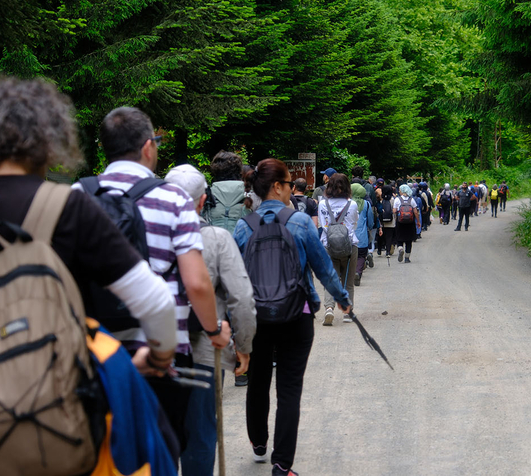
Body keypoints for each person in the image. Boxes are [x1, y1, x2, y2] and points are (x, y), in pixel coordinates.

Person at [0, 77, 180, 475]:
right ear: (46, 136)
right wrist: (158, 356)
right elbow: (155, 301)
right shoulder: (66, 206)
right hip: (58, 418)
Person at [76, 106, 231, 456]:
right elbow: (197, 283)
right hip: (164, 353)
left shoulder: (78, 195)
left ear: (104, 148)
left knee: (105, 453)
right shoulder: (173, 199)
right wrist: (212, 330)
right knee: (162, 450)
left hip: (95, 353)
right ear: (148, 147)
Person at [232, 159, 351, 476]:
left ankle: (258, 443)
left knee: (257, 382)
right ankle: (282, 463)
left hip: (256, 318)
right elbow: (324, 267)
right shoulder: (299, 223)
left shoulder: (244, 227)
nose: (290, 188)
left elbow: (234, 279)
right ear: (277, 187)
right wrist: (342, 300)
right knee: (289, 390)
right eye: (288, 183)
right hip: (295, 316)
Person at [164, 164, 256, 475]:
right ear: (203, 201)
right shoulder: (216, 239)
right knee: (200, 435)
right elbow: (241, 299)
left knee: (158, 436)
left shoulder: (142, 232)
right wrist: (243, 346)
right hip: (203, 352)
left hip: (153, 351)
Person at [317, 173, 359, 324]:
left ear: (329, 186)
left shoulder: (322, 204)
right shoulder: (352, 204)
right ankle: (347, 312)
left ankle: (329, 308)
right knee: (348, 281)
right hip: (350, 245)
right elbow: (354, 223)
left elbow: (321, 224)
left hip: (328, 245)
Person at [205, 150, 249, 233]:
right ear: (239, 171)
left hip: (212, 243)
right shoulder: (250, 196)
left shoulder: (206, 198)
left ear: (214, 171)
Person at [352, 183, 377, 286]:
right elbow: (370, 221)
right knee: (361, 255)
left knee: (349, 255)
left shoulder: (347, 203)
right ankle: (358, 272)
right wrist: (370, 228)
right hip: (362, 235)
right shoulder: (366, 204)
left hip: (348, 235)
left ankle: (349, 274)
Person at [394, 184, 419, 263]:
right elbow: (415, 211)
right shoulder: (411, 199)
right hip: (410, 223)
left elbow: (394, 211)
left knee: (399, 238)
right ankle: (407, 258)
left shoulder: (397, 200)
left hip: (400, 222)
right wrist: (418, 221)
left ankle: (400, 248)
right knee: (409, 240)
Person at [378, 185, 397, 257]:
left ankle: (379, 250)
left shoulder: (380, 199)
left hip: (382, 221)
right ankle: (388, 252)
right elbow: (394, 210)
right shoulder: (392, 199)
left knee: (381, 236)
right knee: (389, 237)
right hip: (390, 221)